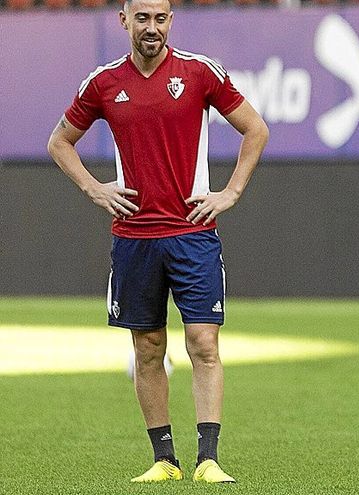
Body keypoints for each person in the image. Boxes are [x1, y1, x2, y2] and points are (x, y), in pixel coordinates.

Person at [47, 0, 269, 484]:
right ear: (124, 20)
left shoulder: (199, 73)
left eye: (161, 17)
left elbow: (256, 128)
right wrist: (93, 187)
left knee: (203, 343)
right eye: (142, 17)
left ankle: (207, 459)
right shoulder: (103, 83)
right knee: (148, 348)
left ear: (171, 21)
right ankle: (164, 461)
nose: (152, 27)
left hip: (193, 235)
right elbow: (59, 141)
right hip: (134, 238)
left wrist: (230, 192)